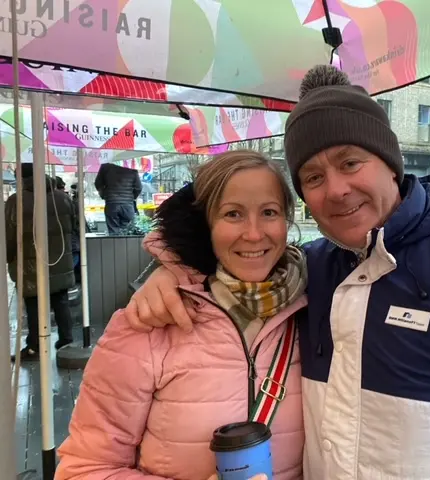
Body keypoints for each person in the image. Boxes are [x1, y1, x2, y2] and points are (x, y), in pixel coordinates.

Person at [123, 66, 430, 479]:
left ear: (390, 163)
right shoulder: (309, 268)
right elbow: (234, 252)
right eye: (312, 177)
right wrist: (173, 270)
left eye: (350, 162)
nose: (335, 189)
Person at [55, 151, 307, 480]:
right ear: (205, 225)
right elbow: (83, 469)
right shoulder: (146, 323)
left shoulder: (313, 310)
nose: (255, 233)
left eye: (269, 212)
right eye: (233, 214)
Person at [6, 163, 77, 361]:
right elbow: (74, 227)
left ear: (21, 178)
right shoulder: (63, 198)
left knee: (34, 305)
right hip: (60, 261)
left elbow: (9, 237)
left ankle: (35, 347)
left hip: (31, 266)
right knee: (61, 302)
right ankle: (66, 340)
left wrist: (8, 257)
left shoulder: (16, 201)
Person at [94, 163, 142, 235]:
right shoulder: (131, 166)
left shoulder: (105, 166)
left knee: (113, 231)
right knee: (128, 231)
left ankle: (115, 244)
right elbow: (139, 188)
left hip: (111, 203)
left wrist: (104, 195)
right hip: (128, 204)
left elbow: (98, 183)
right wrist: (131, 197)